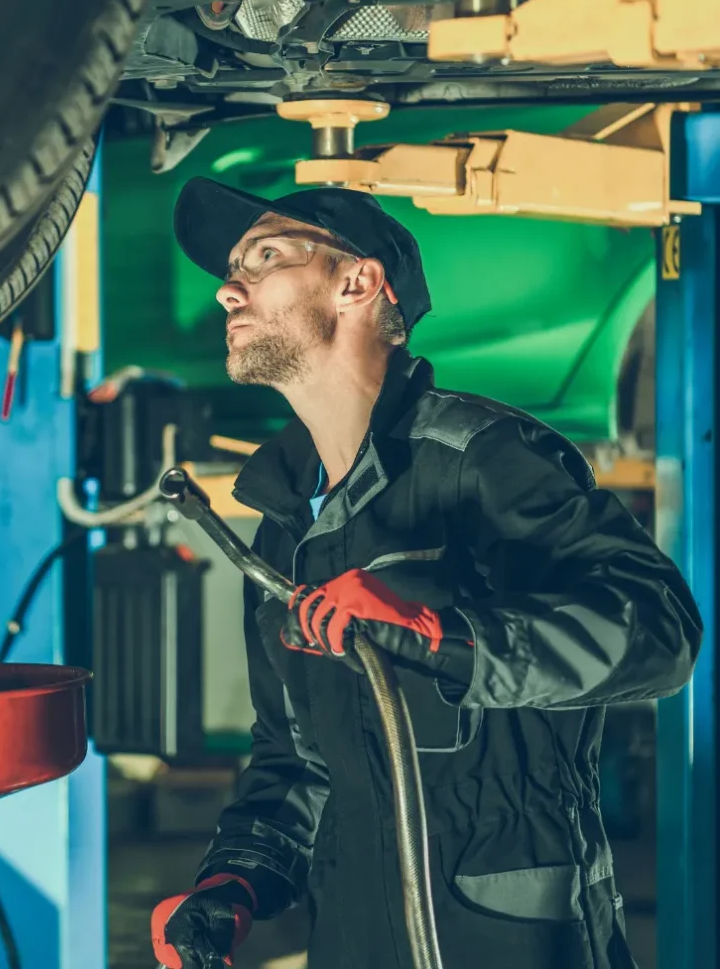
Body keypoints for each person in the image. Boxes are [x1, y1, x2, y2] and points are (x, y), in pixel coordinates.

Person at [149, 177, 703, 969]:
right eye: (233, 266)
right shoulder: (282, 522)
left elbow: (659, 632)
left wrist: (447, 635)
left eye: (263, 256)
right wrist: (234, 882)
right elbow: (296, 758)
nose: (227, 288)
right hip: (350, 929)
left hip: (506, 925)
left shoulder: (485, 458)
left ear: (357, 281)